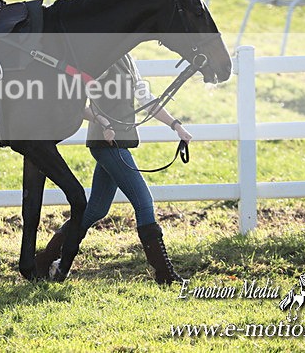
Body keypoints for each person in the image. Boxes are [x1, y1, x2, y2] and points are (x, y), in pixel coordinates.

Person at [36, 54, 192, 284]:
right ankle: (164, 274)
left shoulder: (127, 59)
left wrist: (176, 126)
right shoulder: (99, 59)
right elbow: (76, 103)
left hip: (118, 143)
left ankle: (49, 261)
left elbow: (146, 98)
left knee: (95, 210)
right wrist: (102, 121)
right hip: (107, 144)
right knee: (144, 202)